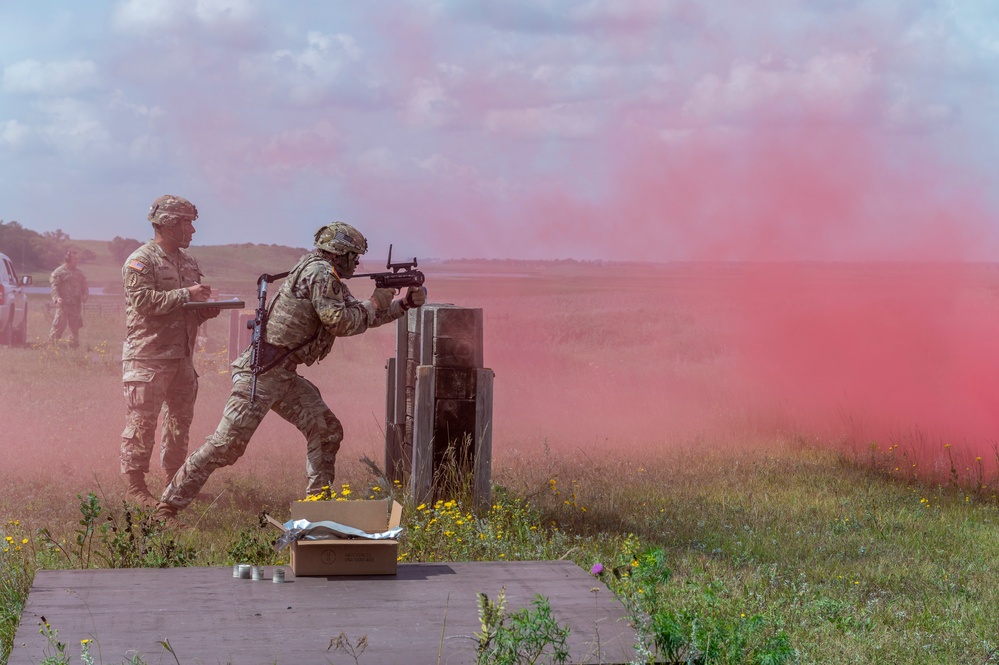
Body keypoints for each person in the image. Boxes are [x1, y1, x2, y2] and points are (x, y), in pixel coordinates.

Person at [156, 221, 426, 525]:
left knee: (326, 430)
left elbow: (357, 315)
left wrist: (402, 304)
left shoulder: (325, 274)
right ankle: (167, 508)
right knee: (226, 446)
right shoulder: (320, 274)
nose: (357, 262)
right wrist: (378, 300)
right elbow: (340, 322)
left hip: (280, 373)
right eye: (354, 256)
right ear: (341, 253)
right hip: (261, 374)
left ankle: (318, 509)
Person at [120, 195, 221, 508]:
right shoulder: (141, 260)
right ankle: (135, 488)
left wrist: (207, 308)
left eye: (191, 222)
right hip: (148, 358)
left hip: (182, 359)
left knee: (179, 423)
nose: (191, 230)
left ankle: (175, 483)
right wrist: (186, 294)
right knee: (142, 424)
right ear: (166, 223)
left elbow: (187, 307)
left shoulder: (188, 262)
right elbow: (144, 303)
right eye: (185, 222)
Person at [48, 248, 89, 348]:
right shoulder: (59, 272)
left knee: (75, 328)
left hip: (75, 305)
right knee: (58, 326)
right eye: (74, 259)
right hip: (63, 305)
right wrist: (57, 298)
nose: (77, 261)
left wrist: (85, 295)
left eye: (77, 258)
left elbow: (84, 286)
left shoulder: (79, 273)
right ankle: (52, 348)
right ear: (68, 259)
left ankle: (74, 348)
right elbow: (54, 287)